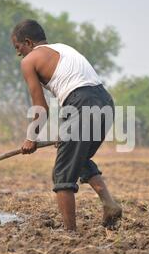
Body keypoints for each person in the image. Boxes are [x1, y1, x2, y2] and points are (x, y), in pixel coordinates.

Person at [11, 19, 122, 231]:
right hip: (105, 101)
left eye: (18, 48)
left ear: (27, 42)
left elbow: (41, 107)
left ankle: (70, 234)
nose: (19, 54)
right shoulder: (63, 48)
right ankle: (109, 204)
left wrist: (31, 138)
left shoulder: (29, 61)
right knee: (77, 158)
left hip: (81, 104)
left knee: (62, 173)